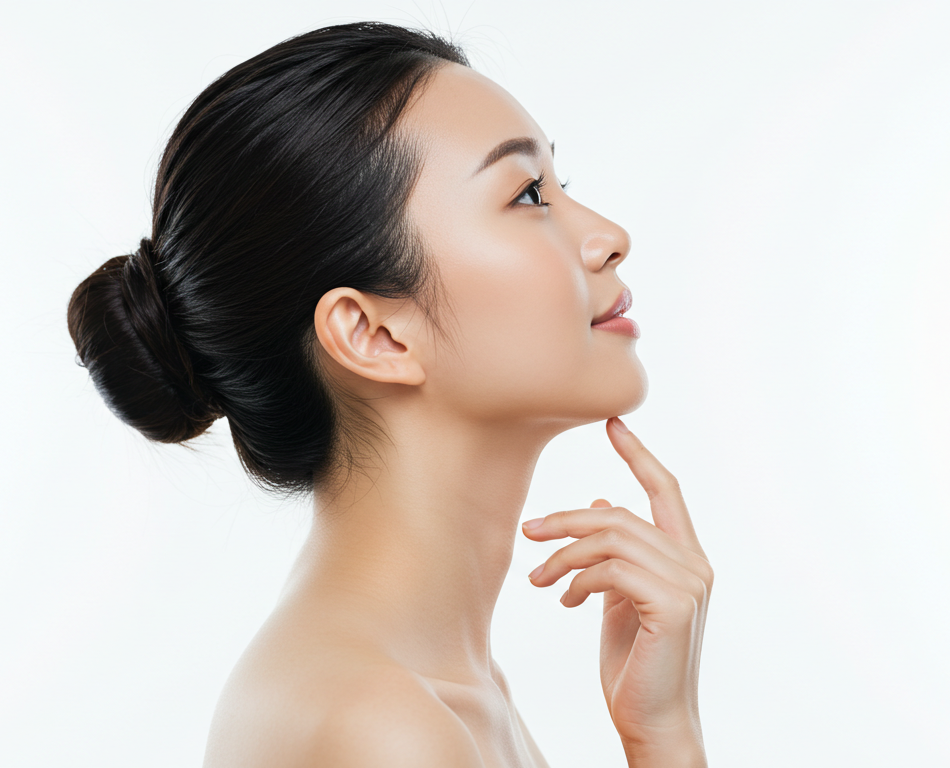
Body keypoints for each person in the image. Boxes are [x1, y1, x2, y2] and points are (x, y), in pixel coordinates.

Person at [67, 22, 712, 768]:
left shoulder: (435, 690)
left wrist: (661, 732)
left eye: (559, 185)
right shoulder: (381, 724)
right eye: (529, 194)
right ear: (373, 334)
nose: (610, 236)